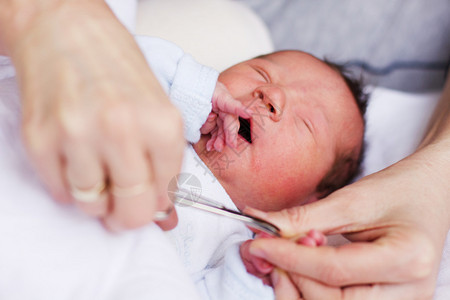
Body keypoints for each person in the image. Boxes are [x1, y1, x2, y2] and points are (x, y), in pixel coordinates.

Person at [1, 1, 449, 299]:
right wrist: (194, 91)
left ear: (311, 202)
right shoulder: (153, 99)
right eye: (260, 73)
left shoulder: (235, 241)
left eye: (307, 125)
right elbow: (119, 56)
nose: (272, 98)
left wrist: (256, 272)